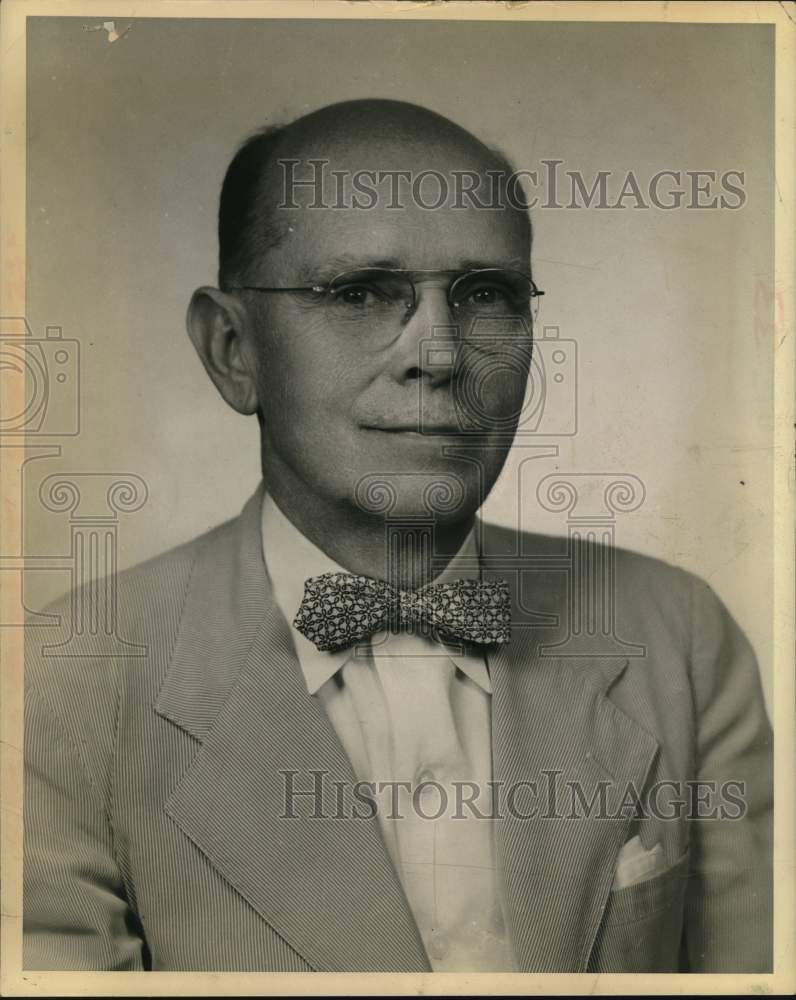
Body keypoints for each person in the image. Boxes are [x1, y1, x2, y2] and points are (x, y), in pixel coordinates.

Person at [23, 99, 773, 973]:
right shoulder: (62, 682)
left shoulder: (679, 634)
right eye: (360, 294)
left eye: (485, 294)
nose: (442, 355)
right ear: (233, 349)